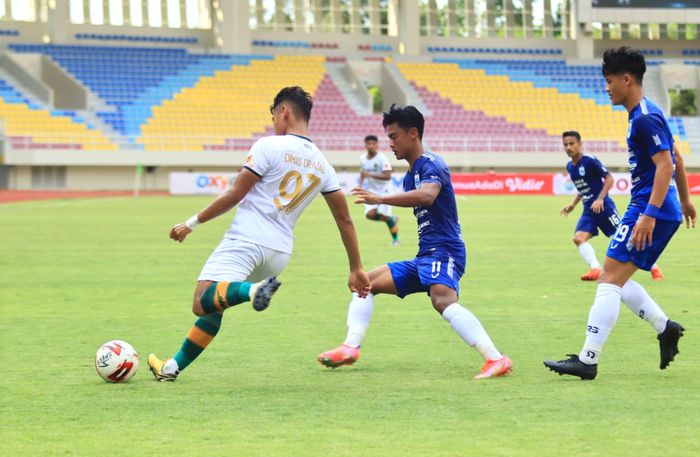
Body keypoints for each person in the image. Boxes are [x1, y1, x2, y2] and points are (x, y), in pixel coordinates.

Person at [148, 86, 371, 382]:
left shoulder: (269, 146)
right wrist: (356, 267)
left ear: (284, 112)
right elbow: (345, 220)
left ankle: (255, 291)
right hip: (279, 254)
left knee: (203, 299)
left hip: (247, 240)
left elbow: (234, 194)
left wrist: (190, 224)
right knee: (218, 303)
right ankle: (171, 368)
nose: (274, 124)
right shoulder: (322, 164)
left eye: (274, 116)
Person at [318, 104, 512, 379]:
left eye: (394, 137)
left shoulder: (432, 164)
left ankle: (496, 358)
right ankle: (350, 348)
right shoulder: (412, 173)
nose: (390, 144)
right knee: (365, 283)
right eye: (388, 137)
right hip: (426, 255)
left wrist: (380, 199)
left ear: (413, 134)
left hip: (445, 251)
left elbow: (427, 196)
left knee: (442, 300)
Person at [544, 47, 696, 380]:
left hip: (648, 208)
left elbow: (666, 165)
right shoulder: (644, 113)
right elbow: (677, 160)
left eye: (609, 81)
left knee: (609, 278)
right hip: (654, 207)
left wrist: (650, 213)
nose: (607, 87)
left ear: (626, 79)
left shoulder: (644, 118)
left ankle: (588, 360)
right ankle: (665, 327)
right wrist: (684, 200)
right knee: (615, 276)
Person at [560, 130, 664, 281]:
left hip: (604, 209)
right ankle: (595, 268)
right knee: (578, 238)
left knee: (628, 239)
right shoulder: (570, 166)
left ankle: (654, 268)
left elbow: (609, 179)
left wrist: (600, 198)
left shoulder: (589, 160)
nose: (568, 147)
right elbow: (582, 187)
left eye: (571, 143)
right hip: (589, 210)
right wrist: (573, 204)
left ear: (579, 144)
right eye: (565, 144)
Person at [360, 134, 400, 245]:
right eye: (369, 144)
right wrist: (361, 184)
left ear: (377, 145)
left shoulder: (382, 158)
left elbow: (388, 176)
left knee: (385, 216)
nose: (371, 146)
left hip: (385, 190)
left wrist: (370, 174)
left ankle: (396, 240)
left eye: (373, 144)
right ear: (365, 145)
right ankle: (393, 219)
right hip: (372, 190)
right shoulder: (362, 159)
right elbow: (363, 173)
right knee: (370, 214)